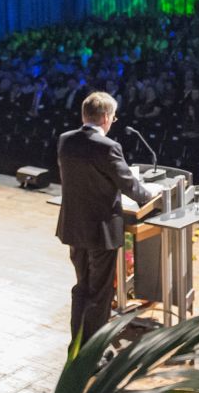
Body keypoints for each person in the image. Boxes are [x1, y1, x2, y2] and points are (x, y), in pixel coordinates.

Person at [56, 91, 155, 347]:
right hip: (100, 230)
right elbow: (129, 186)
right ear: (107, 118)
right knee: (100, 293)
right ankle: (93, 353)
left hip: (74, 226)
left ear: (84, 114)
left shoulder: (65, 140)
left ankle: (76, 347)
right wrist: (151, 198)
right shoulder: (108, 147)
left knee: (82, 288)